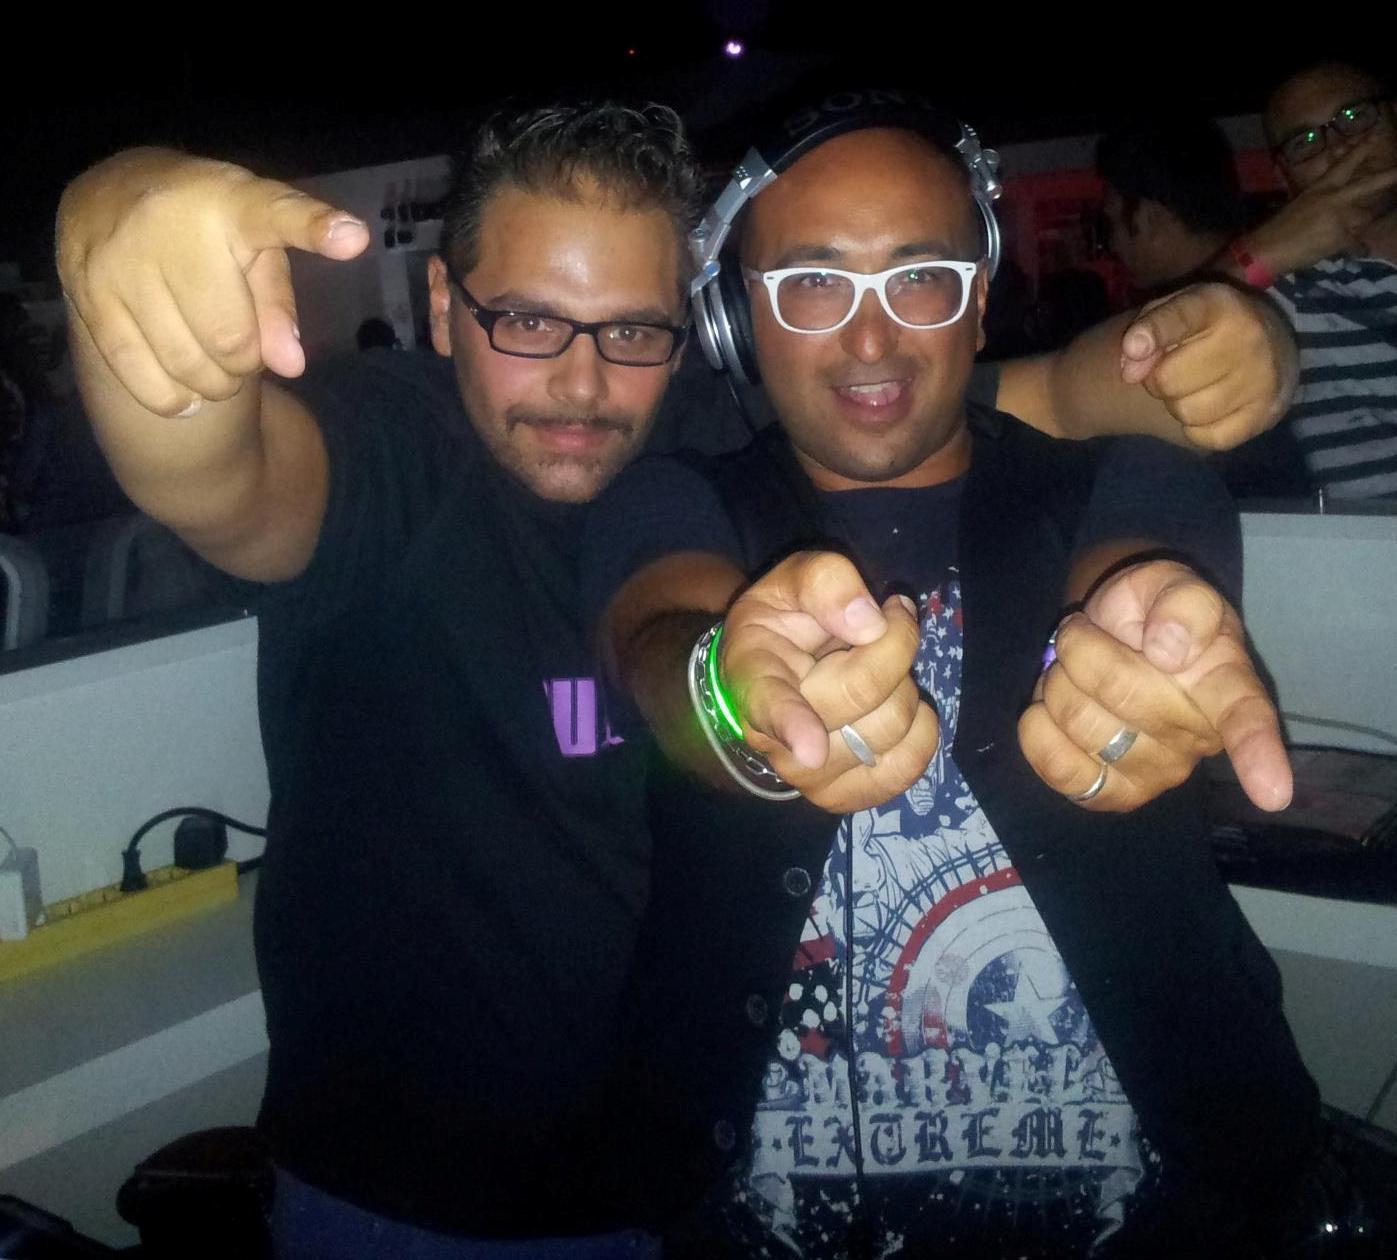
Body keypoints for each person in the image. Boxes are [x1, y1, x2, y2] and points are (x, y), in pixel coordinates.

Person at [58, 99, 1304, 1255]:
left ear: (696, 333)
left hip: (663, 1184)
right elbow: (208, 477)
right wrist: (115, 218)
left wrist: (1239, 341)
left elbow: (1019, 394)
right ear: (443, 306)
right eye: (527, 321)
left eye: (631, 331)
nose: (582, 381)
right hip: (401, 1202)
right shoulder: (387, 450)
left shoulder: (709, 441)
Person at [590, 97, 1319, 1258]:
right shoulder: (671, 500)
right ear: (739, 319)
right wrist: (731, 698)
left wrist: (1145, 634)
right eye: (813, 284)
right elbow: (662, 638)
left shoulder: (1116, 479)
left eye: (917, 277)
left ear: (977, 300)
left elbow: (1140, 556)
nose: (870, 340)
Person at [1222, 61, 1397, 501]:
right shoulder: (1289, 294)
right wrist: (1264, 249)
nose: (1340, 147)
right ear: (1283, 176)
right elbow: (1148, 356)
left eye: (1356, 117)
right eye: (1306, 142)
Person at [1096, 117, 1246, 295]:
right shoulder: (1256, 286)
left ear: (1155, 213)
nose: (1113, 245)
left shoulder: (1207, 305)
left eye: (1114, 222)